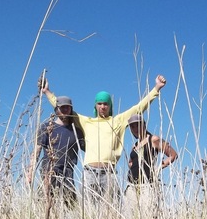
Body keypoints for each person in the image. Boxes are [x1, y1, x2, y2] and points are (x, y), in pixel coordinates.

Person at [39, 74, 168, 203]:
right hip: (89, 173)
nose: (102, 106)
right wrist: (47, 92)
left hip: (109, 173)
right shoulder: (86, 121)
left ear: (110, 106)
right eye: (99, 103)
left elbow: (139, 107)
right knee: (88, 211)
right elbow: (64, 109)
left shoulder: (118, 121)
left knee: (109, 212)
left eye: (105, 104)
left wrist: (156, 88)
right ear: (95, 106)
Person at [27, 95, 85, 206]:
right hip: (49, 169)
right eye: (62, 107)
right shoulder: (47, 126)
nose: (65, 110)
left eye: (67, 107)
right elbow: (37, 148)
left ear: (71, 109)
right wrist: (31, 170)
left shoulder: (76, 131)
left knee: (70, 205)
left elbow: (88, 148)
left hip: (68, 171)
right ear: (56, 109)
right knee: (46, 202)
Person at [124, 113, 178, 219]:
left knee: (147, 218)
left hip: (147, 185)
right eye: (132, 127)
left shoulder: (153, 140)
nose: (135, 129)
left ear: (143, 124)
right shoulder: (135, 145)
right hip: (132, 186)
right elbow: (130, 162)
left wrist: (158, 168)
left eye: (137, 125)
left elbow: (173, 155)